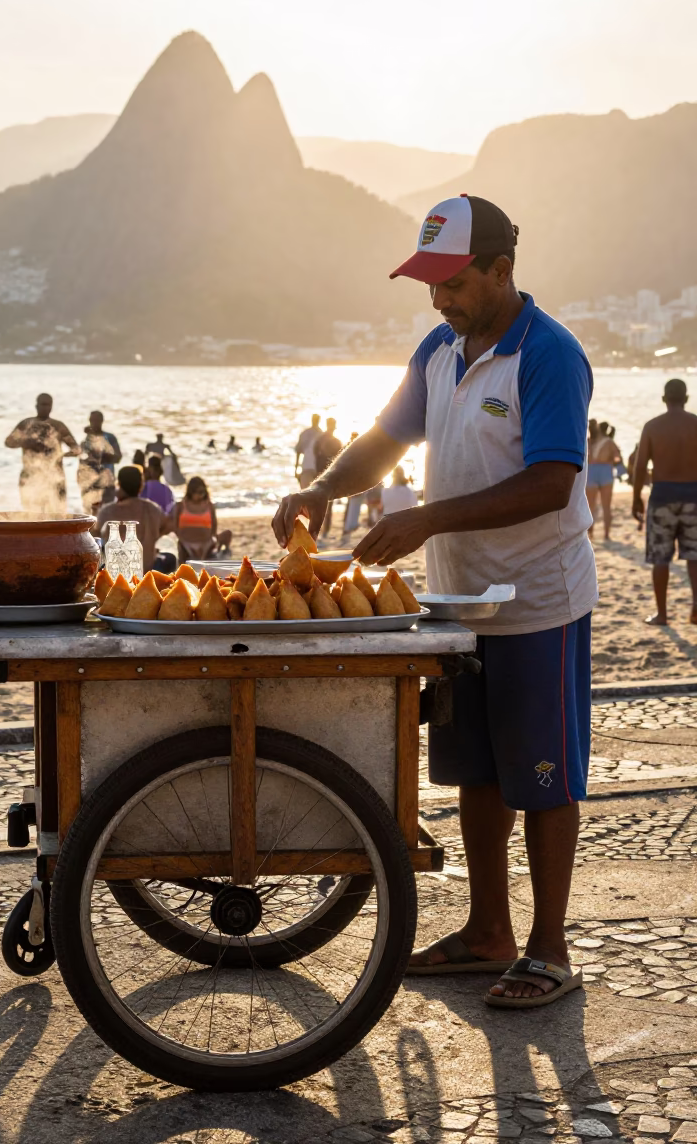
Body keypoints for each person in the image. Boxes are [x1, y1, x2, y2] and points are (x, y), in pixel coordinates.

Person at [273, 194, 596, 1007]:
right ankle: (490, 932)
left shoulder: (548, 355)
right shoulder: (440, 349)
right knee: (477, 775)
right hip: (458, 607)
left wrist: (426, 520)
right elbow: (386, 440)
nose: (440, 300)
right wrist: (319, 488)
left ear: (500, 269)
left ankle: (549, 949)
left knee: (546, 777)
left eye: (453, 283)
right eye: (429, 285)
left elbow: (553, 484)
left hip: (537, 602)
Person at [632, 378, 697, 626]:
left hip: (662, 498)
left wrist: (637, 497)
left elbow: (640, 467)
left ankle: (662, 614)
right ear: (687, 398)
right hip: (694, 496)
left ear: (664, 399)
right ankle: (696, 607)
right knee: (695, 557)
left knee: (661, 558)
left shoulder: (652, 426)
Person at [92, 465, 175, 573]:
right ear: (141, 485)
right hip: (147, 569)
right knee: (170, 558)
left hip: (117, 571)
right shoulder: (151, 508)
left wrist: (94, 512)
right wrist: (153, 538)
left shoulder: (107, 511)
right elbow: (170, 525)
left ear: (119, 484)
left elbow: (94, 536)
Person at [5, 394, 79, 513]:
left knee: (57, 515)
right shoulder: (26, 424)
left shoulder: (58, 426)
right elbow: (9, 442)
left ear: (52, 406)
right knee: (31, 513)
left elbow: (76, 448)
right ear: (36, 405)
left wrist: (67, 454)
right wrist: (26, 442)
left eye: (48, 405)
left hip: (55, 476)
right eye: (43, 404)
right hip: (30, 475)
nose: (45, 408)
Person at [172, 476, 232, 563]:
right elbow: (175, 526)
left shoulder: (209, 506)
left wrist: (211, 538)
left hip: (206, 544)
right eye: (196, 492)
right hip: (186, 544)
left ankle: (217, 555)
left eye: (202, 492)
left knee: (228, 534)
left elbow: (214, 526)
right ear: (190, 492)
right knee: (181, 549)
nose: (199, 495)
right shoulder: (181, 506)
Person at [77, 411, 121, 517]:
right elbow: (81, 460)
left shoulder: (110, 438)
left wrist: (101, 456)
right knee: (89, 514)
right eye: (92, 420)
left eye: (96, 420)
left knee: (108, 513)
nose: (94, 423)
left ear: (101, 421)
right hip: (89, 483)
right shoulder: (86, 441)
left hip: (107, 483)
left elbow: (118, 457)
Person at [585, 419, 621, 541]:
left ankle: (591, 533)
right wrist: (612, 460)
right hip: (605, 471)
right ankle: (606, 534)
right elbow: (618, 457)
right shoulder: (609, 442)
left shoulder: (589, 441)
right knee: (606, 506)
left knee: (591, 505)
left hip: (591, 471)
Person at [314, 418, 342, 537]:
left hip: (323, 474)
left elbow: (315, 455)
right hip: (327, 475)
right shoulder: (334, 441)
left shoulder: (320, 439)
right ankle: (323, 530)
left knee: (322, 503)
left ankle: (322, 530)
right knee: (325, 504)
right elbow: (340, 458)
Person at [294, 414, 323, 490]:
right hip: (316, 469)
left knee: (305, 492)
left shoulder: (305, 433)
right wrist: (296, 469)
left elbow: (298, 452)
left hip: (308, 467)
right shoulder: (322, 434)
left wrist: (296, 469)